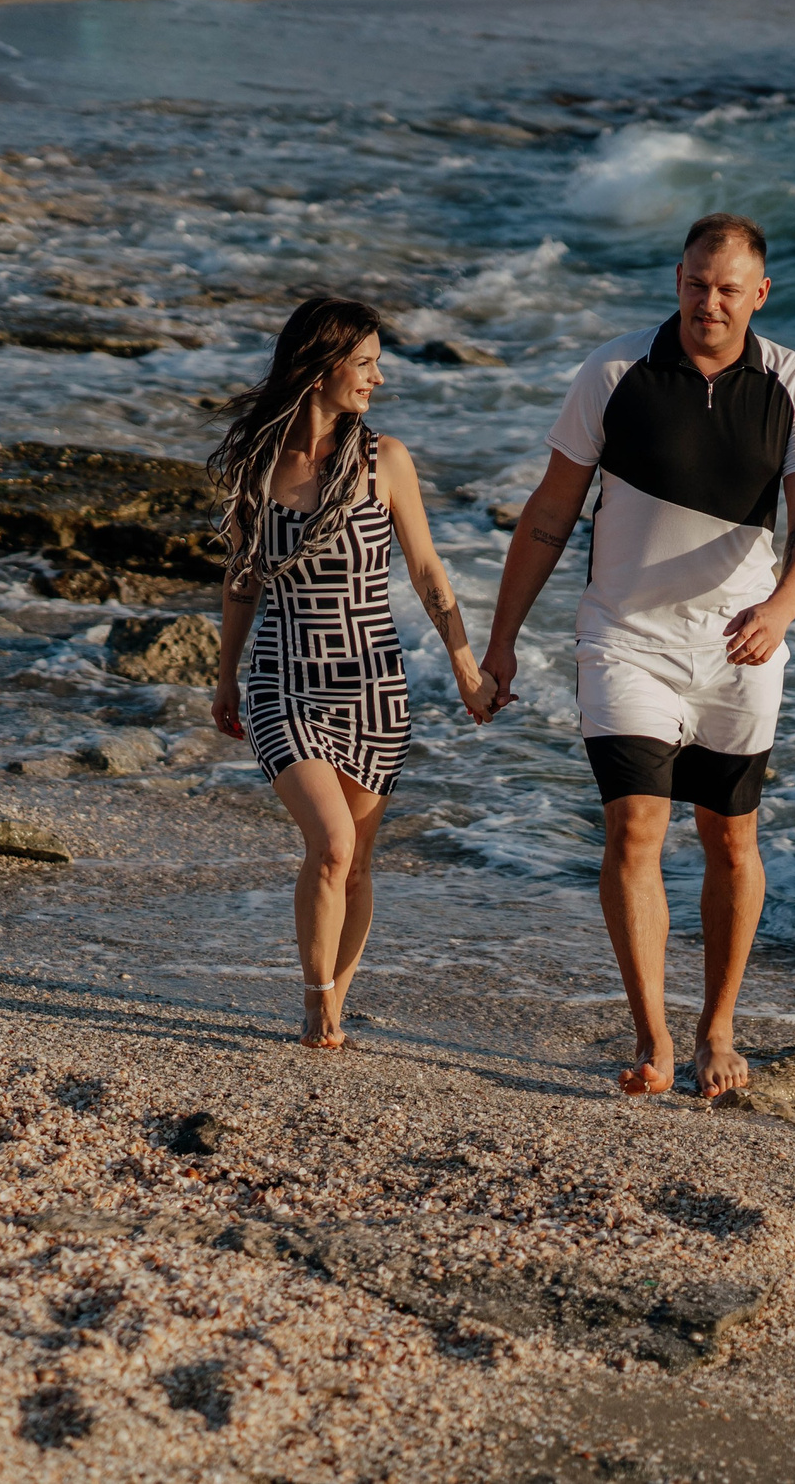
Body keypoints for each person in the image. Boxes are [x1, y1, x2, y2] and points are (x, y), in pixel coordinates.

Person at [482, 213, 795, 1098]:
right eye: (695, 283)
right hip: (625, 638)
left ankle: (718, 1028)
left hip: (739, 645)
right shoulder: (613, 373)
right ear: (676, 279)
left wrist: (781, 610)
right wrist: (502, 642)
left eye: (728, 289)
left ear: (760, 293)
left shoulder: (793, 381)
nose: (708, 302)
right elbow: (550, 513)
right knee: (635, 824)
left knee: (730, 835)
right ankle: (653, 1038)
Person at [208, 295, 497, 1048]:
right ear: (319, 368)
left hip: (373, 688)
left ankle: (337, 994)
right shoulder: (256, 464)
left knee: (359, 863)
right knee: (333, 845)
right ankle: (316, 1004)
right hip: (283, 681)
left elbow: (428, 572)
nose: (378, 378)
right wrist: (226, 675)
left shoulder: (384, 461)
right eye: (364, 363)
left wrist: (465, 667)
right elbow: (243, 578)